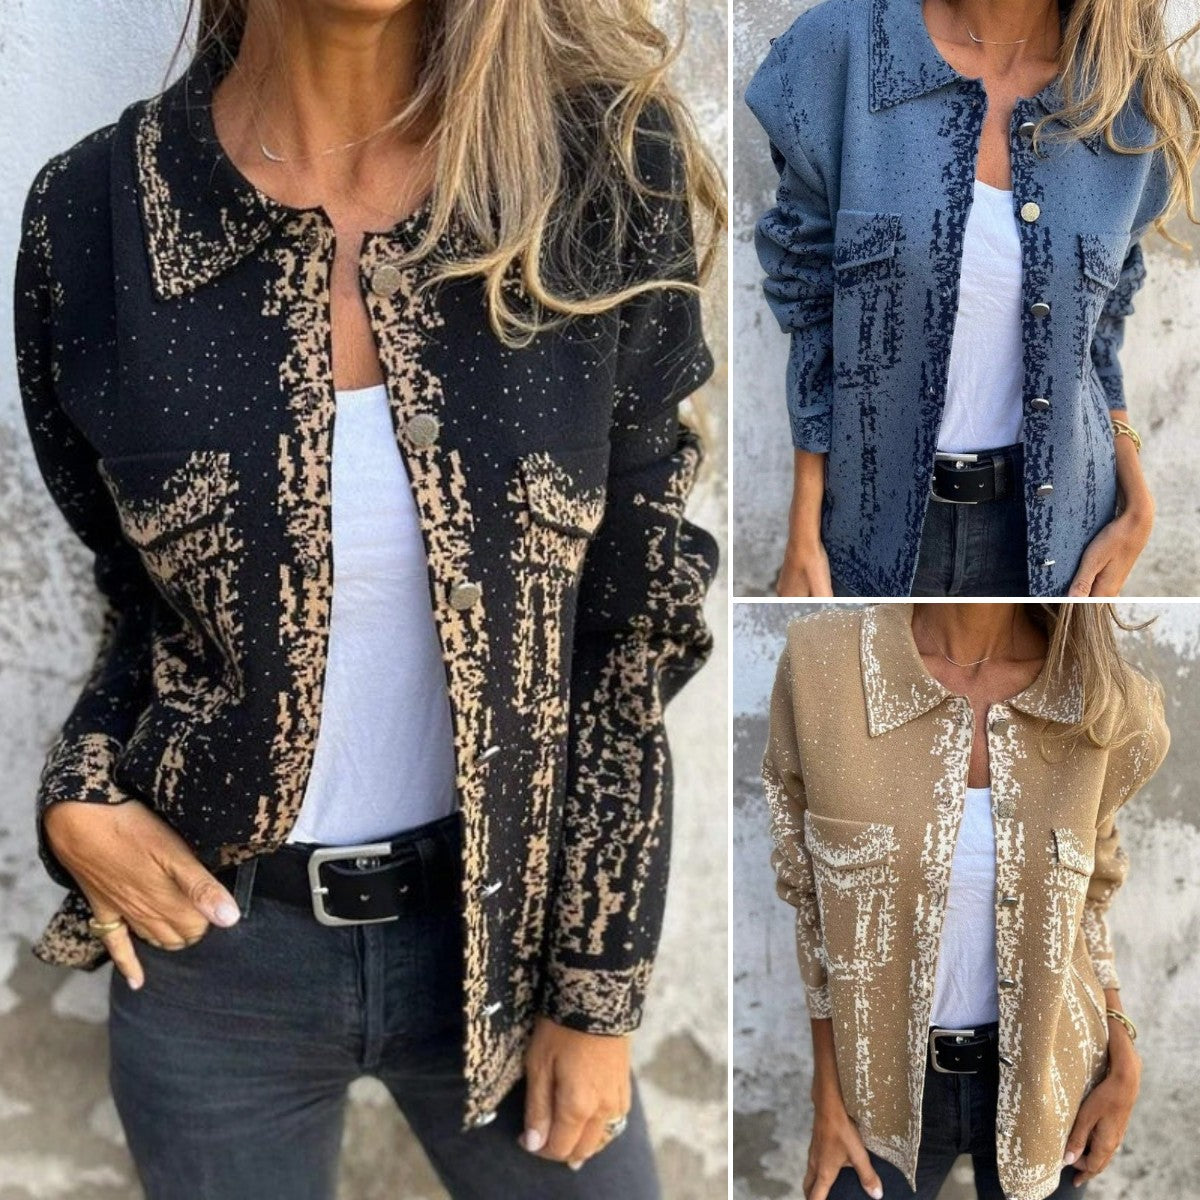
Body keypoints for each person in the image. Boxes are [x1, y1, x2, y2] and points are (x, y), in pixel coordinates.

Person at [12, 2, 724, 1196]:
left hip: (503, 946)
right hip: (214, 966)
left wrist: (597, 990)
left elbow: (633, 626)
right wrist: (78, 793)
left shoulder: (593, 174)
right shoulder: (92, 215)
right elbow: (138, 602)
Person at [745, 0, 1200, 598]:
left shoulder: (1123, 102)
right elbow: (810, 303)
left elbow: (1098, 333)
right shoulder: (847, 51)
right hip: (872, 538)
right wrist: (803, 533)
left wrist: (1137, 500)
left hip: (1061, 547)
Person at [762, 602, 1169, 1199]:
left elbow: (1087, 901)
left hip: (1051, 1091)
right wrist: (827, 1092)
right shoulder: (824, 668)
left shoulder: (1103, 698)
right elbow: (813, 904)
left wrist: (1124, 1054)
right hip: (876, 1094)